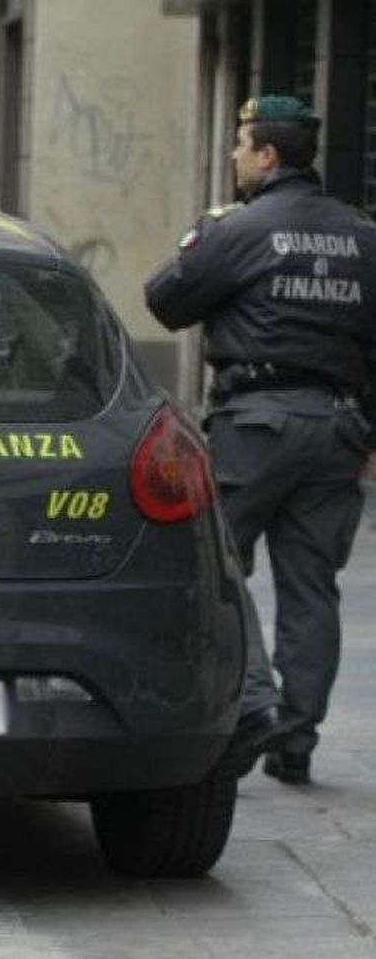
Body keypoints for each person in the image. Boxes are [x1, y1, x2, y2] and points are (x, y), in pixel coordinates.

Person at [145, 95, 376, 785]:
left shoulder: (241, 230)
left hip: (255, 424)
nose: (238, 157)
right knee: (312, 587)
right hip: (337, 426)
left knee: (216, 568)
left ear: (268, 155)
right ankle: (296, 739)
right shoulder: (363, 235)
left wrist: (206, 244)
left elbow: (164, 300)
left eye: (243, 146)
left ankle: (256, 701)